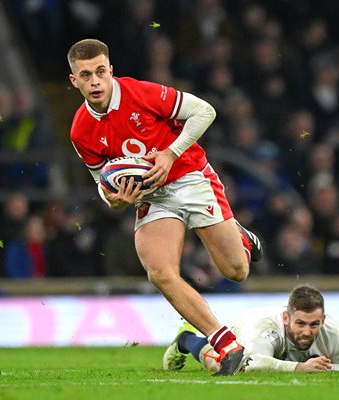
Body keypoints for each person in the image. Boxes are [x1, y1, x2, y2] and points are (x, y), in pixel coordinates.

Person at [67, 39, 263, 376]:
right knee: (159, 272)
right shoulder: (80, 130)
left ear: (111, 71)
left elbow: (205, 111)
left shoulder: (141, 93)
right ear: (75, 81)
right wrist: (114, 200)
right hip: (151, 197)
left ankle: (241, 238)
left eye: (101, 72)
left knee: (236, 270)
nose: (95, 81)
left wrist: (171, 152)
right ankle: (225, 342)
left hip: (189, 176)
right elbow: (103, 183)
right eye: (86, 75)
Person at [163, 284, 339, 373]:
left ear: (322, 320)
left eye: (314, 324)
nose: (307, 331)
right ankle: (185, 339)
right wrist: (300, 368)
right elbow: (251, 362)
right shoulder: (264, 329)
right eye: (300, 323)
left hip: (291, 351)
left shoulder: (330, 331)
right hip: (245, 339)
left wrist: (324, 367)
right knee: (226, 364)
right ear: (287, 319)